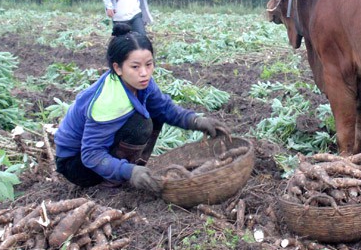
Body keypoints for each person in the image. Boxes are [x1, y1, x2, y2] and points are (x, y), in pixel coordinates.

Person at [54, 23, 230, 192]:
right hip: (76, 165)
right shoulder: (108, 100)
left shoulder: (141, 83)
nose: (144, 73)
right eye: (135, 67)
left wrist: (195, 121)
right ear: (118, 68)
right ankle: (113, 180)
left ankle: (132, 169)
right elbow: (91, 154)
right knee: (141, 123)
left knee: (156, 114)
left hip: (92, 156)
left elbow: (165, 108)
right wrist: (129, 172)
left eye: (149, 64)